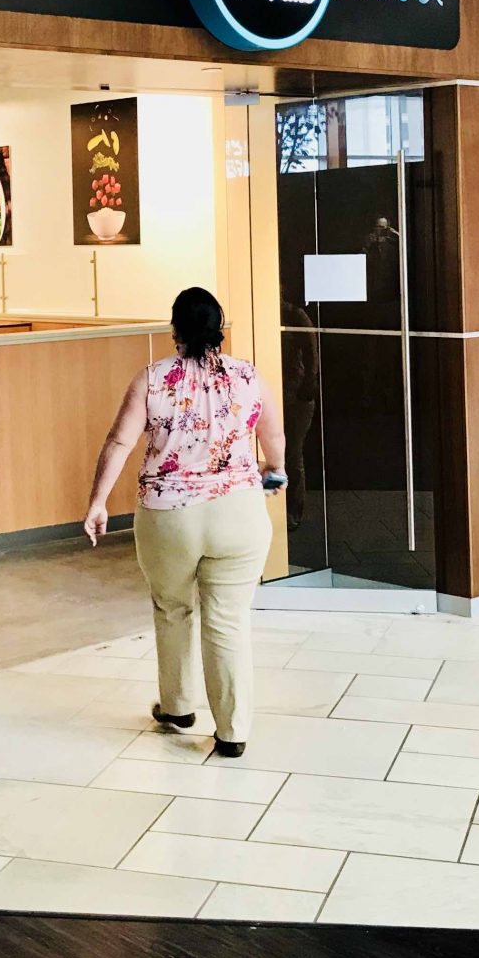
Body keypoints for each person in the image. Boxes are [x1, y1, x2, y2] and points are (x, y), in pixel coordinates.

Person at [83, 287, 284, 758]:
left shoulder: (152, 380)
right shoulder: (247, 376)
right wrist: (274, 471)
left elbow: (119, 442)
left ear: (174, 329)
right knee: (228, 620)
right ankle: (232, 730)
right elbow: (272, 434)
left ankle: (177, 707)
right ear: (219, 327)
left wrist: (98, 502)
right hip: (239, 514)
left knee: (172, 608)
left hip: (169, 517)